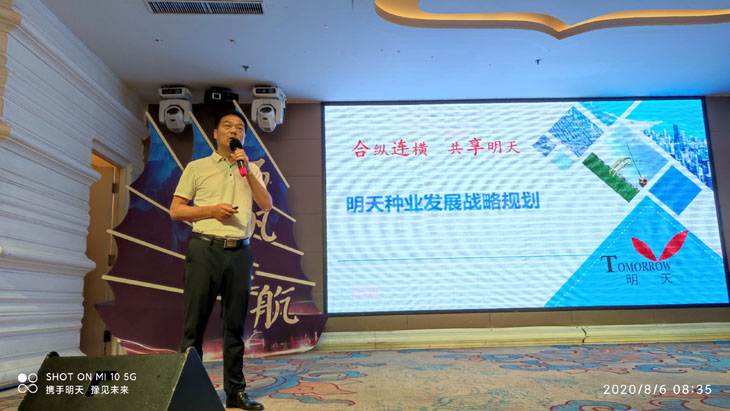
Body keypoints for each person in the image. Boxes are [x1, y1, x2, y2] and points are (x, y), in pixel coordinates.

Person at [170, 110, 271, 410]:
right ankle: (188, 393)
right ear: (215, 133)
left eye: (239, 127)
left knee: (235, 326)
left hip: (240, 252)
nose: (234, 130)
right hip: (205, 249)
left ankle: (235, 392)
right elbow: (176, 210)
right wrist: (211, 210)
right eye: (227, 125)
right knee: (194, 325)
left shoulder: (249, 169)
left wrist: (247, 170)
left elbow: (266, 204)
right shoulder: (197, 167)